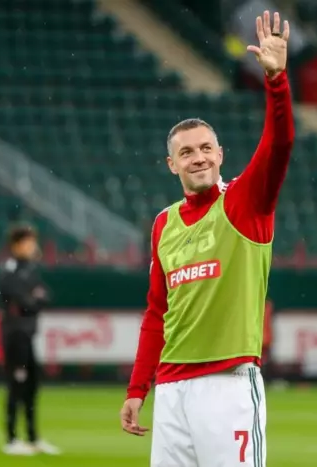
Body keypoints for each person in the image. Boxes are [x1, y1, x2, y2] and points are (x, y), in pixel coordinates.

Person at [120, 10, 293, 467]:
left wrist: (276, 81)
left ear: (220, 155)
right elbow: (157, 312)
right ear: (171, 164)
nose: (196, 158)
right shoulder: (164, 224)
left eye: (204, 149)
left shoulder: (243, 203)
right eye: (185, 152)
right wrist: (138, 388)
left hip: (228, 387)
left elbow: (279, 146)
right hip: (171, 391)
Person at [0, 224, 60, 456]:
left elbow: (44, 297)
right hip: (15, 336)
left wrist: (33, 300)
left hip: (28, 335)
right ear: (16, 245)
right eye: (28, 242)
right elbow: (24, 301)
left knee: (32, 386)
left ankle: (33, 438)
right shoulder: (10, 269)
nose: (33, 246)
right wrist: (32, 300)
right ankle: (12, 439)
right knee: (16, 386)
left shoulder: (30, 269)